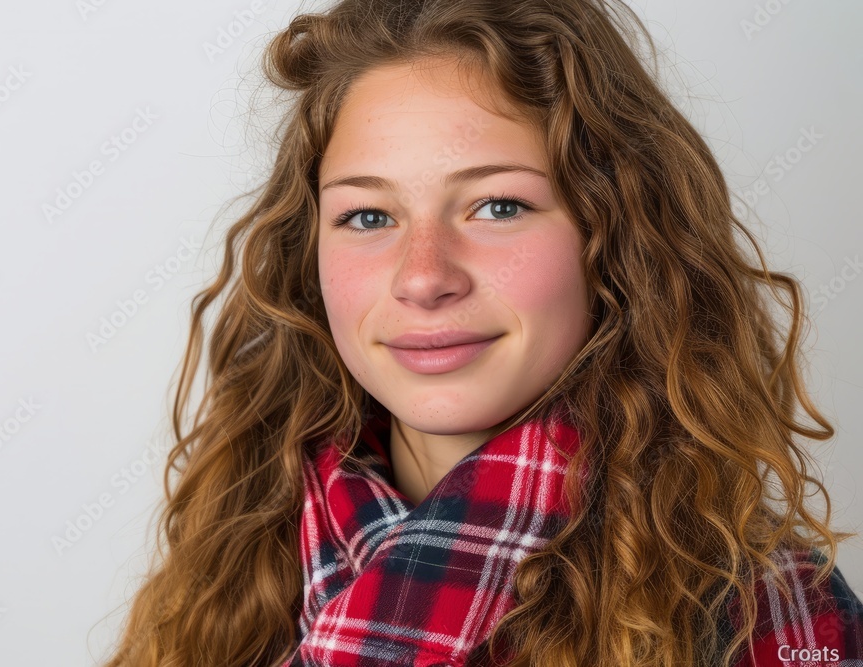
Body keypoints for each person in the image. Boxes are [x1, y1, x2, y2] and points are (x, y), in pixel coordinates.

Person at [101, 0, 863, 665]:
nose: (424, 277)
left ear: (616, 237)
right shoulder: (229, 570)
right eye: (368, 216)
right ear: (311, 254)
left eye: (498, 206)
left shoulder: (769, 611)